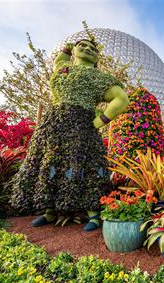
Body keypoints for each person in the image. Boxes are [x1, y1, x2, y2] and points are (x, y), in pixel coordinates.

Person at [11, 39, 129, 231]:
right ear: (74, 50)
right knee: (50, 161)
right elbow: (60, 59)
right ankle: (49, 212)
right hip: (53, 123)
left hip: (81, 123)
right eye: (82, 46)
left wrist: (101, 121)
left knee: (86, 163)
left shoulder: (99, 77)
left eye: (93, 49)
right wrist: (67, 46)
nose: (88, 49)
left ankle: (93, 215)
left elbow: (122, 99)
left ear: (97, 58)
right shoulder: (62, 67)